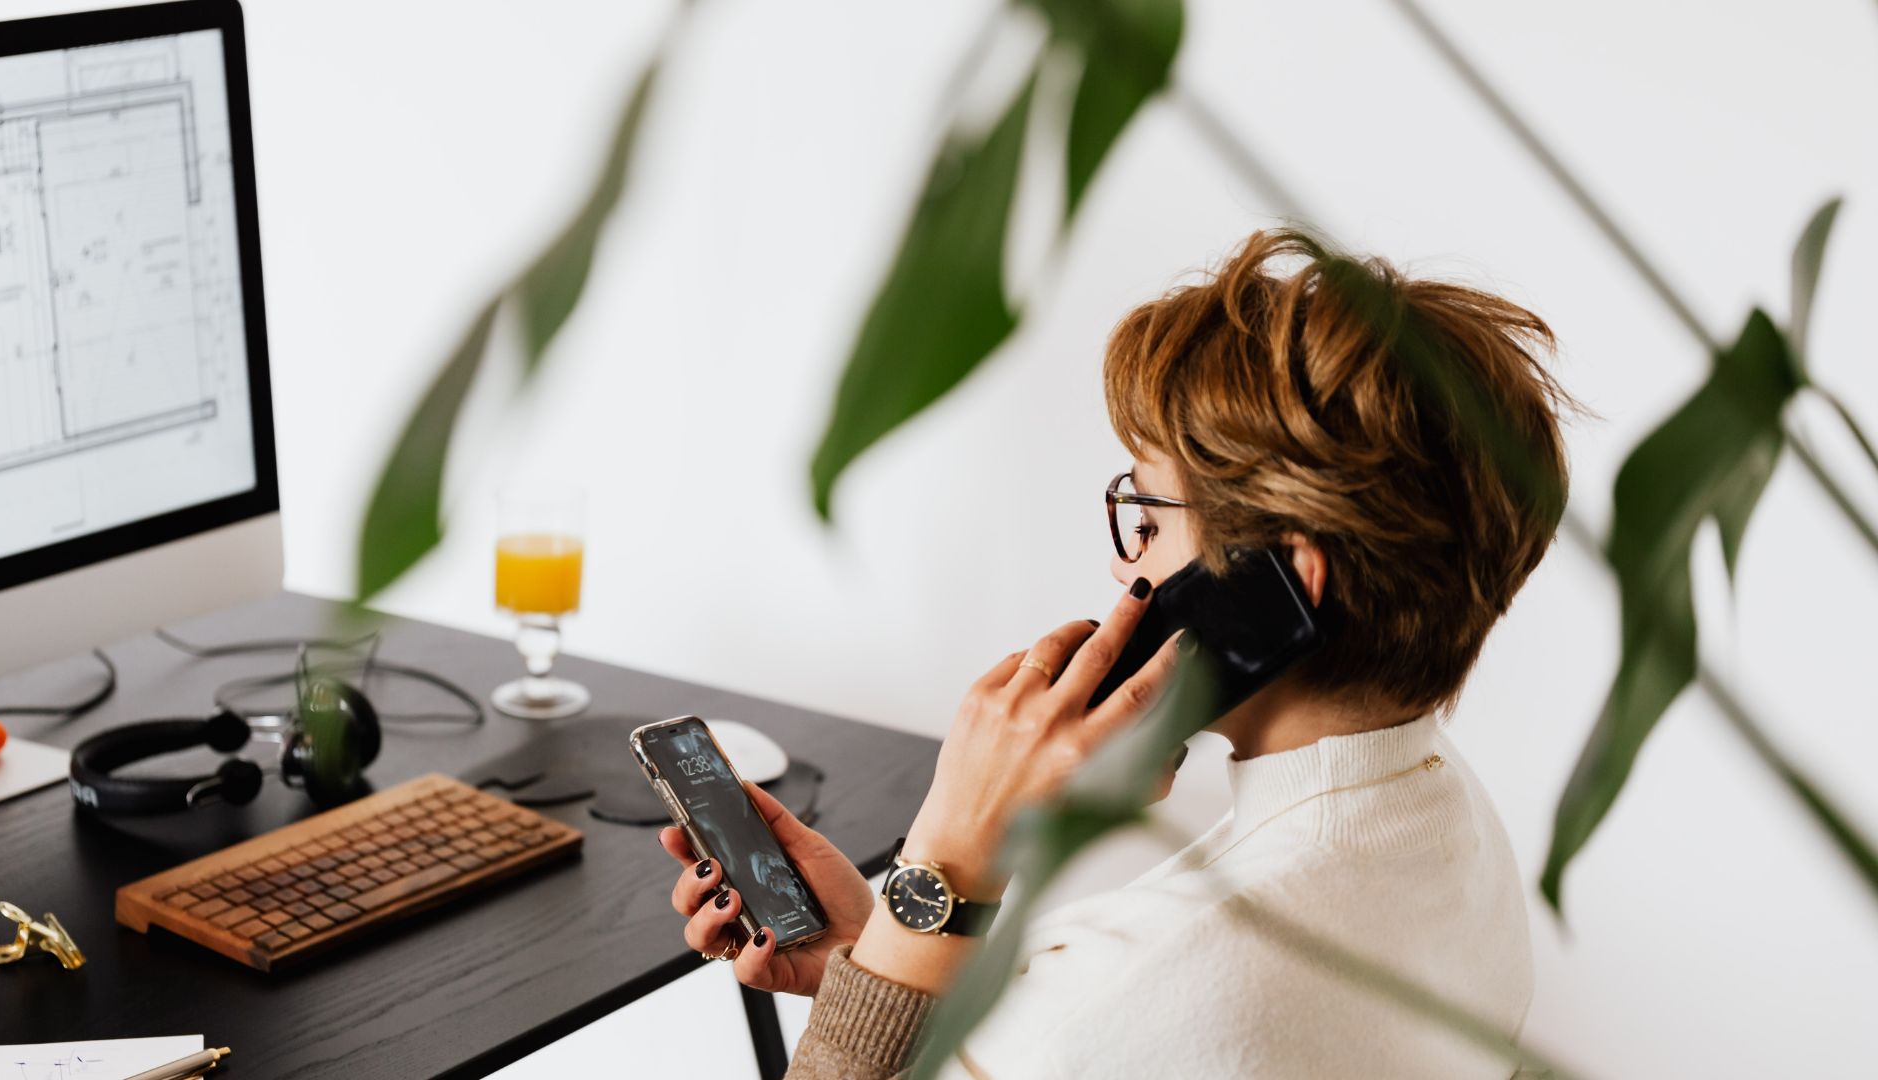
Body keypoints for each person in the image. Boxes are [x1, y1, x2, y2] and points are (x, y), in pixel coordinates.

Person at [658, 229, 1573, 1078]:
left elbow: (1102, 1031)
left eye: (1145, 514)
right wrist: (887, 950)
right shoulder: (1450, 826)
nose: (1121, 557)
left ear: (1284, 577)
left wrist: (946, 856)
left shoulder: (1142, 985)